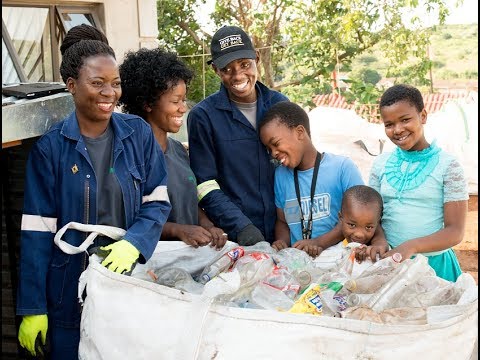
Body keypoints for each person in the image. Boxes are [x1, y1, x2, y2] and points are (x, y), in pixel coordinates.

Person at [16, 24, 171, 359]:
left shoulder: (138, 134)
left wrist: (134, 243)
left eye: (115, 84)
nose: (109, 93)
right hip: (68, 291)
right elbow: (36, 232)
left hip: (126, 283)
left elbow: (157, 201)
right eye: (97, 83)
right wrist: (32, 307)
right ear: (72, 86)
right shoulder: (51, 149)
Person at [187, 25, 289, 246]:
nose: (238, 75)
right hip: (235, 238)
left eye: (244, 64)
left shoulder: (280, 105)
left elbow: (298, 163)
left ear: (257, 58)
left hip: (286, 231)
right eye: (227, 69)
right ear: (215, 70)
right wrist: (240, 226)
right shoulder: (203, 117)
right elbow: (204, 184)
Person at [118, 47, 227, 249]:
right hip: (152, 262)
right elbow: (130, 219)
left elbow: (189, 201)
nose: (183, 108)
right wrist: (178, 230)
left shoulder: (178, 150)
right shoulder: (130, 156)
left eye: (184, 100)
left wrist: (207, 225)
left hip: (188, 258)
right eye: (176, 101)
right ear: (147, 103)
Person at [369, 84, 468, 282]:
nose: (397, 130)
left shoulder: (448, 166)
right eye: (389, 124)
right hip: (391, 266)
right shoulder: (380, 164)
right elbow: (372, 218)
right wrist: (379, 240)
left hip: (435, 268)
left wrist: (411, 246)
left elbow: (455, 231)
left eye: (405, 120)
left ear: (423, 116)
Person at [258, 101, 376, 257]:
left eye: (276, 144)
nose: (273, 153)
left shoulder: (342, 168)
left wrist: (319, 242)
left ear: (300, 132)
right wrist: (282, 241)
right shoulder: (281, 175)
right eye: (269, 149)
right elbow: (283, 222)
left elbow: (361, 218)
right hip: (299, 263)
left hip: (341, 258)